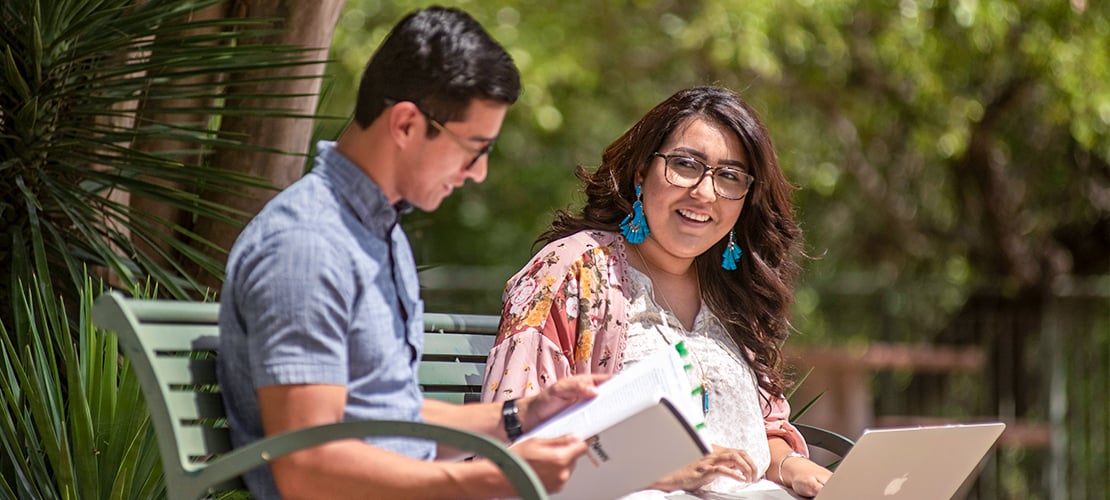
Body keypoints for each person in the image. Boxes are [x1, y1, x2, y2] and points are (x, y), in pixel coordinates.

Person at [217, 7, 605, 499]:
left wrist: (522, 415)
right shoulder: (307, 247)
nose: (478, 172)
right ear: (405, 125)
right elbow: (306, 468)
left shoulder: (375, 234)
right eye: (475, 147)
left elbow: (390, 413)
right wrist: (494, 477)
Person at [480, 86, 833, 498]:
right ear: (640, 173)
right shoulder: (574, 271)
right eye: (685, 165)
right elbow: (515, 449)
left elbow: (760, 433)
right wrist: (657, 469)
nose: (704, 192)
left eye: (730, 176)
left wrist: (794, 467)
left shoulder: (734, 295)